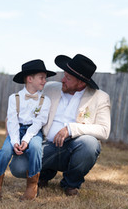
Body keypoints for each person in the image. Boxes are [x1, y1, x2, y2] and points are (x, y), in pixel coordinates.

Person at [9, 54, 111, 196]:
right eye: (65, 75)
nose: (62, 80)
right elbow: (27, 104)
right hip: (46, 145)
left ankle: (71, 183)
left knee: (90, 144)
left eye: (68, 78)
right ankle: (44, 174)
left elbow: (104, 130)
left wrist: (70, 129)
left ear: (81, 83)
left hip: (73, 147)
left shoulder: (100, 97)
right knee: (18, 167)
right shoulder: (50, 88)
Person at [0, 59, 56, 201]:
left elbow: (39, 122)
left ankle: (32, 185)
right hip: (16, 130)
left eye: (45, 78)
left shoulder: (45, 100)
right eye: (41, 78)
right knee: (5, 151)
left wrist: (26, 139)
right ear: (30, 79)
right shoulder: (14, 98)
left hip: (34, 131)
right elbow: (12, 121)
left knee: (36, 148)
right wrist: (15, 141)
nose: (45, 81)